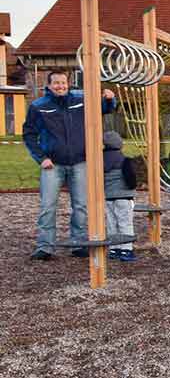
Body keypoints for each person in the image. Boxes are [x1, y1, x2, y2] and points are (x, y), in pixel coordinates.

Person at [23, 70, 117, 260]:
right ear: (48, 86)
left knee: (81, 205)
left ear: (68, 83)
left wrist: (109, 99)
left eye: (63, 83)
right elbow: (29, 135)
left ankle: (78, 243)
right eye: (56, 83)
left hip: (80, 162)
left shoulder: (80, 100)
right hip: (52, 164)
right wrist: (41, 158)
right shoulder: (38, 106)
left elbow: (105, 109)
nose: (60, 86)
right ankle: (45, 246)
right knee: (48, 206)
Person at [102, 130, 138, 262]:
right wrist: (132, 189)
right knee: (125, 223)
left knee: (111, 223)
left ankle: (114, 248)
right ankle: (126, 249)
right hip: (124, 197)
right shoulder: (124, 160)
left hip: (108, 197)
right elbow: (131, 179)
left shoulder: (100, 160)